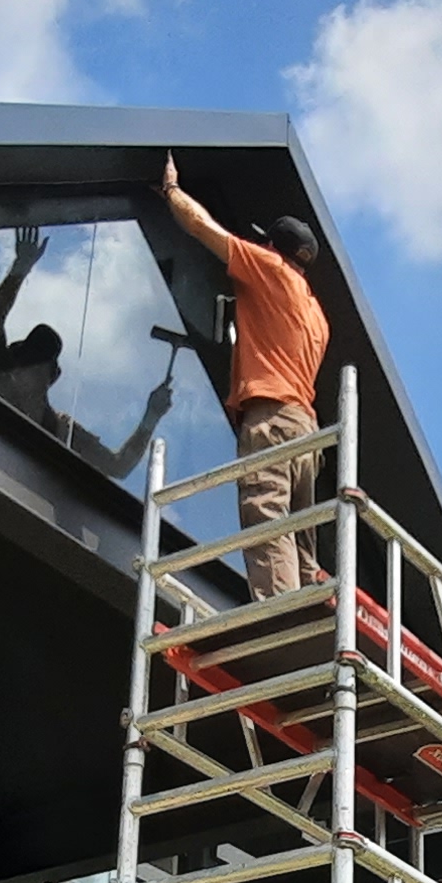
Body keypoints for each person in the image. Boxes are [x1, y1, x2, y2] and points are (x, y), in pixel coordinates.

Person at [157, 154, 330, 595]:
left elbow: (201, 228)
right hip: (305, 428)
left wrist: (173, 192)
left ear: (274, 249)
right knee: (300, 530)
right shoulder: (316, 312)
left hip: (271, 417)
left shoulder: (270, 270)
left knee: (266, 518)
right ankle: (309, 593)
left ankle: (280, 618)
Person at [0, 223, 172, 478]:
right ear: (13, 366)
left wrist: (151, 416)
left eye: (39, 362)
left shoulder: (63, 430)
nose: (31, 369)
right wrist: (21, 268)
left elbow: (118, 466)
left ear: (53, 376)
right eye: (27, 360)